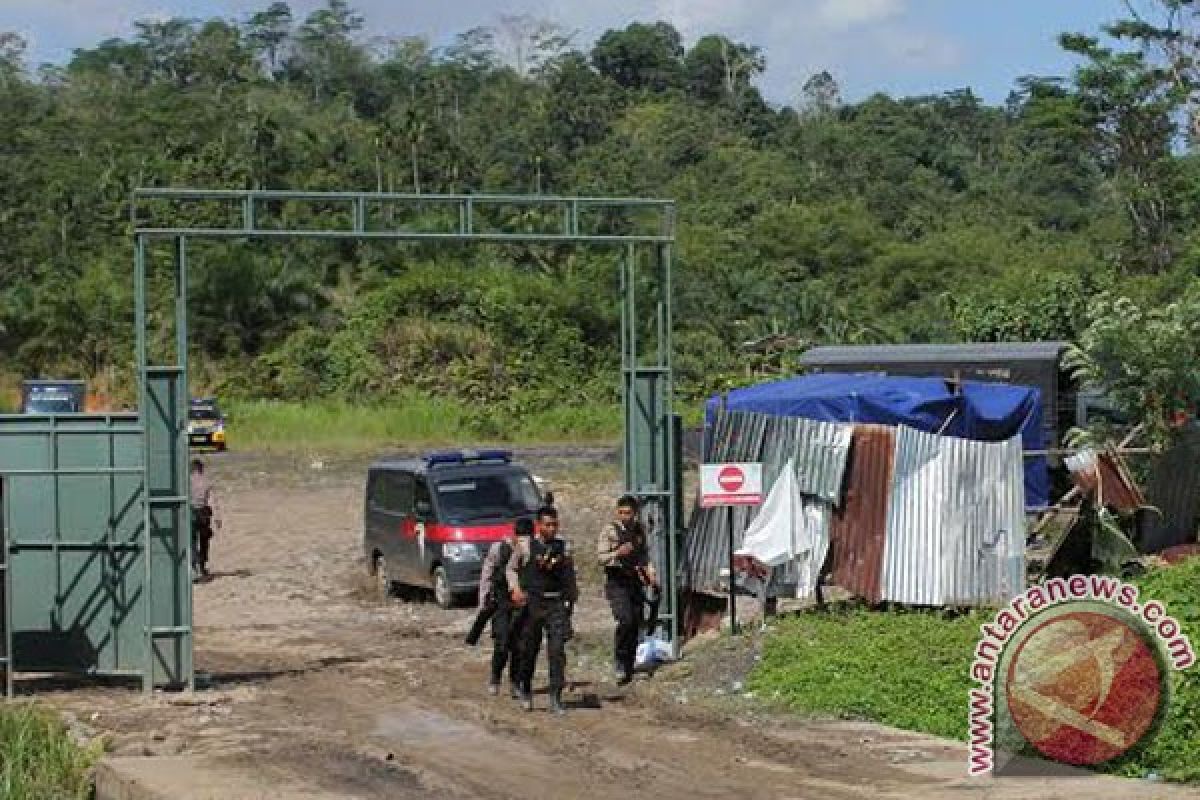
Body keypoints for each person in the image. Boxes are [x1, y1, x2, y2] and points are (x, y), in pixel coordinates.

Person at [507, 505, 578, 714]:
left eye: (555, 524)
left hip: (556, 603)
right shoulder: (527, 546)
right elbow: (511, 568)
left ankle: (555, 696)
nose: (552, 528)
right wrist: (516, 589)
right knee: (529, 648)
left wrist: (571, 599)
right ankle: (525, 688)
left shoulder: (563, 548)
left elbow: (569, 575)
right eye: (548, 524)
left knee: (556, 651)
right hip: (533, 604)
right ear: (539, 526)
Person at [466, 518, 532, 698]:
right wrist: (483, 601)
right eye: (521, 538)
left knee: (520, 646)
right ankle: (495, 678)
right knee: (502, 643)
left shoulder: (533, 551)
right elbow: (486, 574)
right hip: (501, 603)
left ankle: (515, 682)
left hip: (521, 604)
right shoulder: (499, 549)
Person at [597, 494, 658, 685]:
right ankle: (620, 660)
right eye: (621, 512)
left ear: (635, 513)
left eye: (629, 513)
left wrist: (650, 574)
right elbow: (601, 557)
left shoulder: (639, 531)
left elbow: (644, 555)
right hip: (617, 582)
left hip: (635, 581)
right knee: (625, 620)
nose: (625, 516)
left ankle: (629, 666)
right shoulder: (610, 531)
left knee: (635, 623)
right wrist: (617, 553)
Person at [189, 458, 221, 579]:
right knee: (204, 541)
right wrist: (218, 517)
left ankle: (194, 565)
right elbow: (212, 500)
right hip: (203, 514)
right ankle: (201, 565)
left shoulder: (186, 481)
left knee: (191, 541)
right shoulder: (207, 482)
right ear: (201, 469)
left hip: (190, 513)